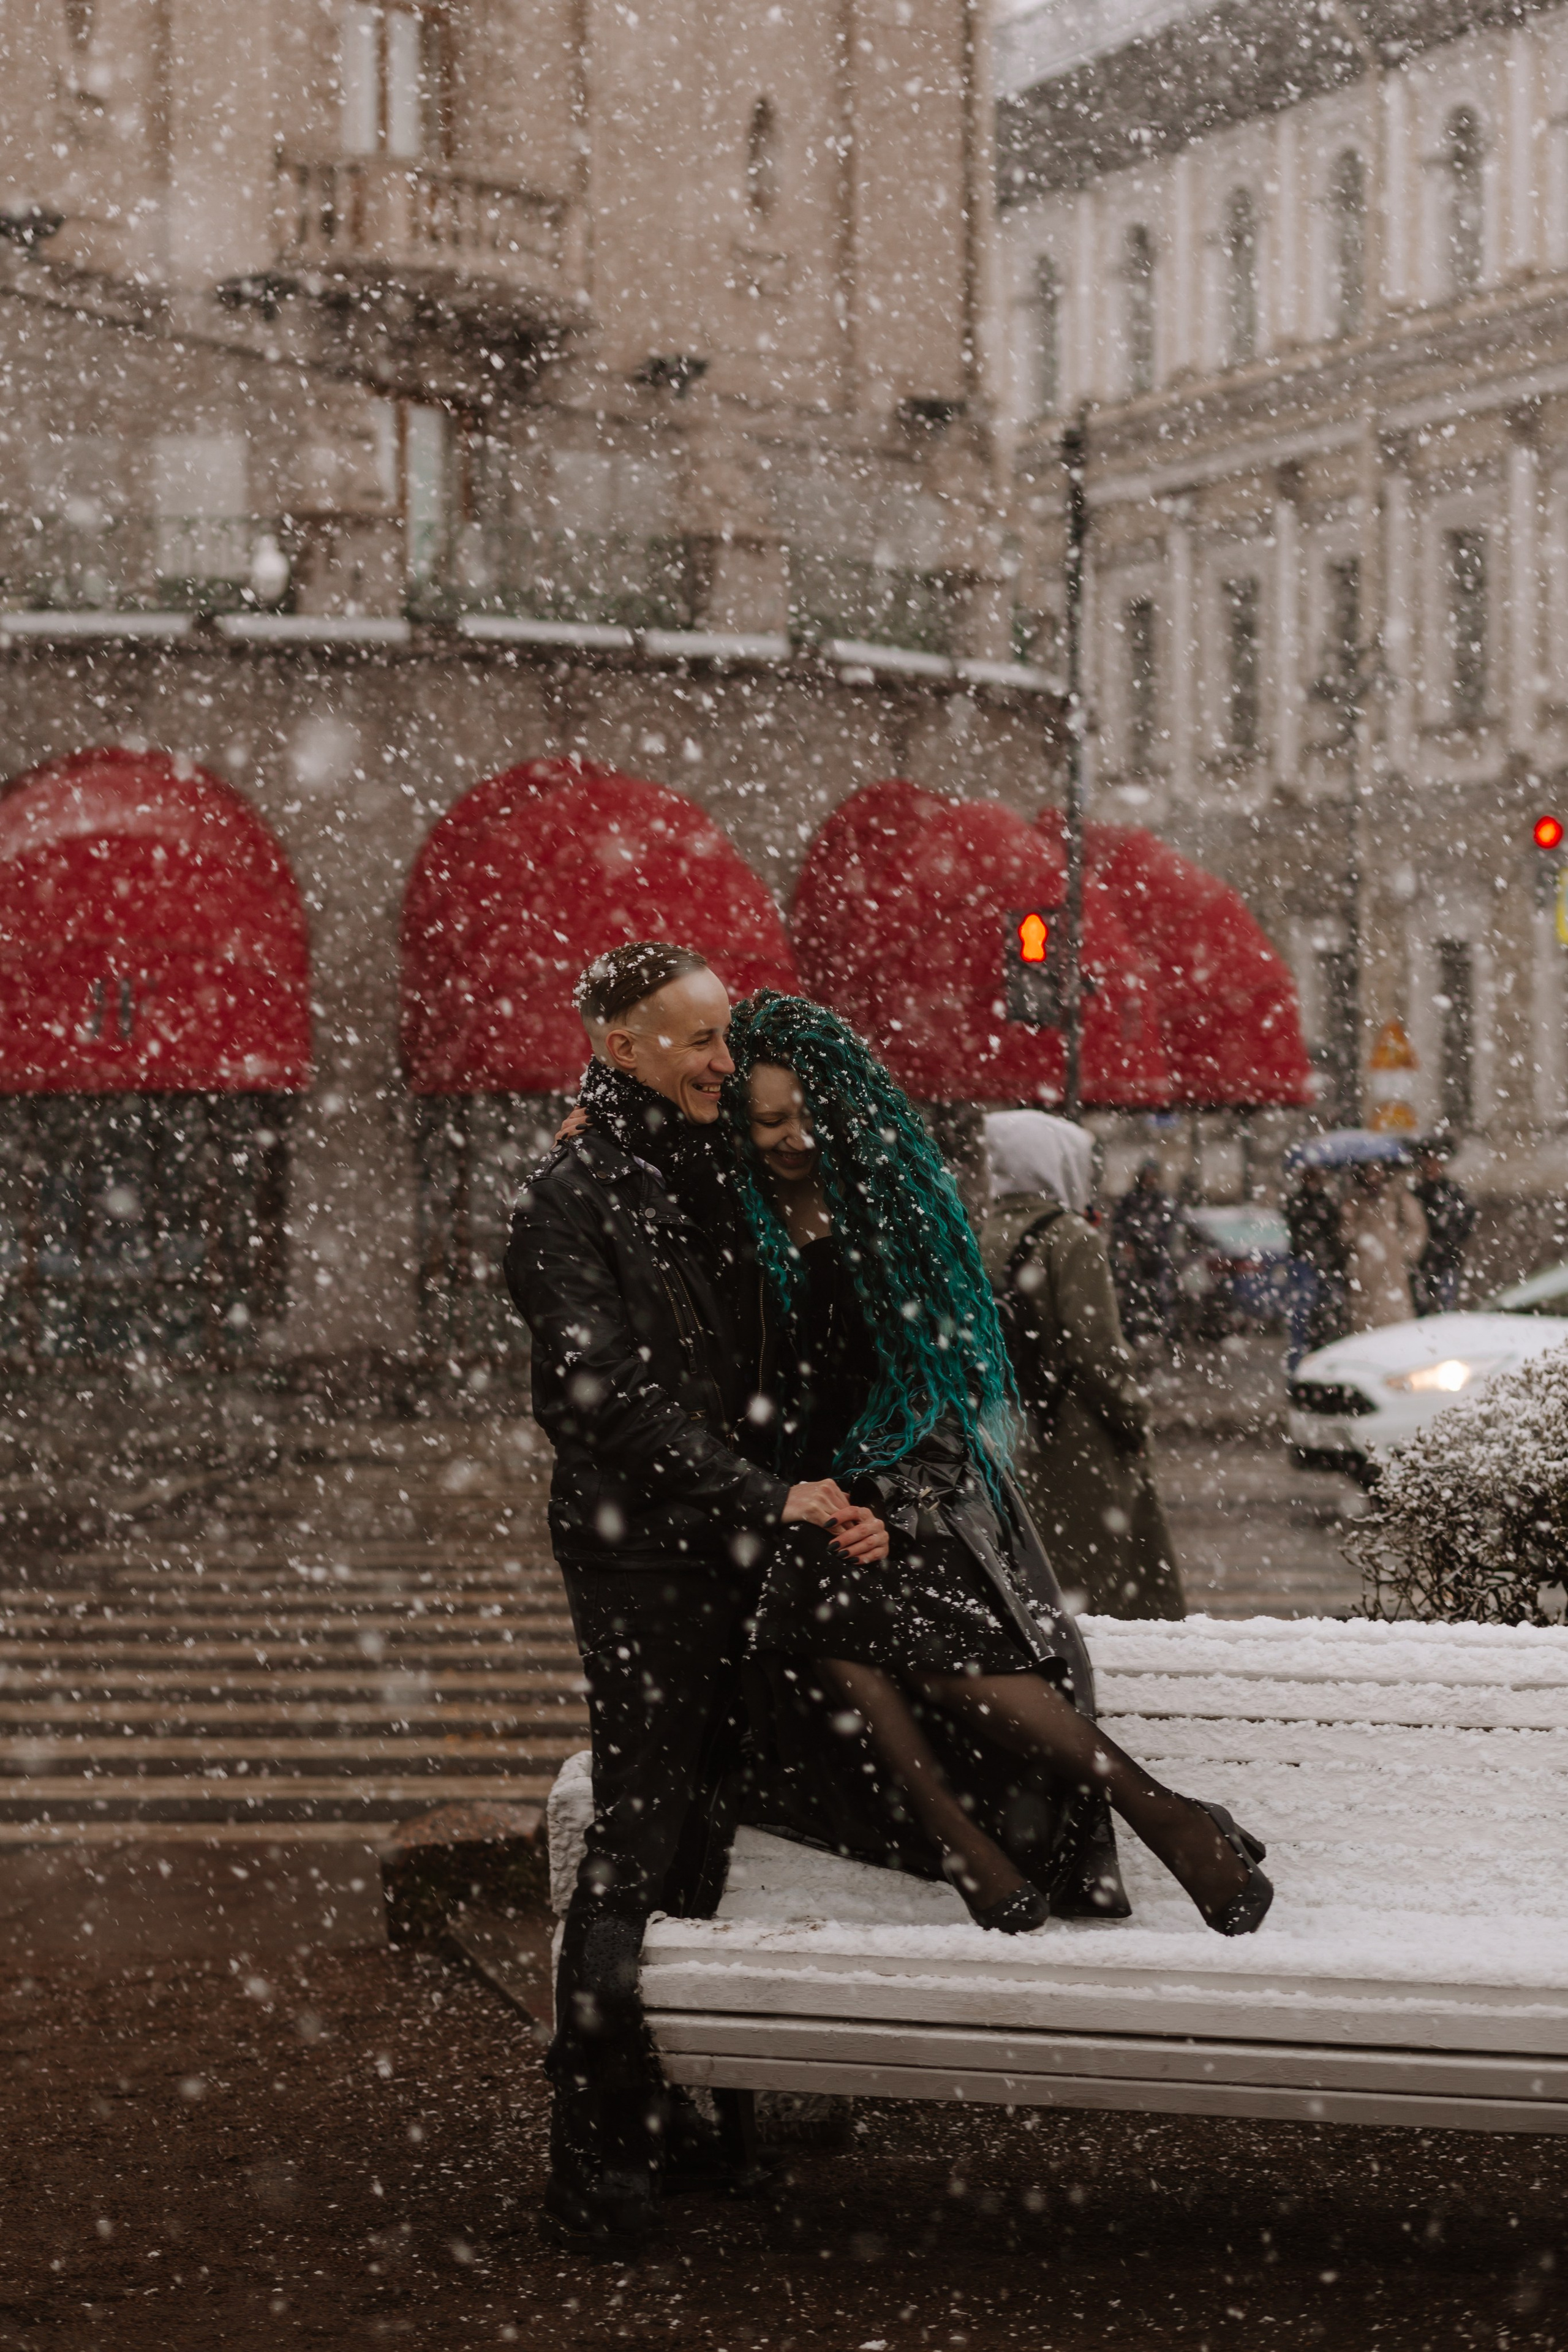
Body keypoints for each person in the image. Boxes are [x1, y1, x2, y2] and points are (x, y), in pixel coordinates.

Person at [725, 990, 1272, 1945]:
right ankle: (1077, 1821)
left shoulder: (897, 1214)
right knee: (819, 1582)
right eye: (767, 1119)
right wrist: (806, 1500)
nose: (792, 1138)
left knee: (899, 1624)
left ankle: (1112, 1819)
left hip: (923, 1496)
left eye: (809, 1115)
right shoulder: (730, 1220)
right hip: (791, 1504)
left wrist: (890, 1507)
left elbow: (947, 1395)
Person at [505, 943, 885, 2252]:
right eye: (698, 1042)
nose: (724, 1061)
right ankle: (597, 2151)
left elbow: (770, 1323)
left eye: (726, 1038)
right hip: (645, 1560)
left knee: (708, 1828)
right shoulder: (570, 1191)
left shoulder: (693, 1163)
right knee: (640, 1833)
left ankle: (679, 2121)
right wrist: (754, 1491)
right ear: (621, 1048)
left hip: (723, 1547)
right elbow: (595, 1399)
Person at [979, 1109, 1185, 1621]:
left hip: (1007, 1435)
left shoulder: (978, 1234)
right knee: (1111, 1600)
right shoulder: (1071, 1238)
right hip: (1077, 1444)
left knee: (1033, 1591)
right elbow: (1098, 1354)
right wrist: (1133, 1419)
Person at [1340, 1155, 1427, 1332]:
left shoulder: (1398, 1196)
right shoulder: (1355, 1200)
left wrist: (1405, 1252)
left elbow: (1418, 1226)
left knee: (1395, 1316)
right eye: (1370, 1171)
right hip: (1365, 1268)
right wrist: (1359, 1237)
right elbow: (1345, 1233)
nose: (1374, 1176)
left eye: (1378, 1171)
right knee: (1366, 1319)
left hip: (1392, 1266)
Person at [1283, 1160, 1348, 1368]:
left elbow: (1335, 1235)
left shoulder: (1328, 1203)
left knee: (1327, 1319)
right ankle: (1301, 1368)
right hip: (1306, 1265)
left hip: (1326, 1265)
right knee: (1303, 1317)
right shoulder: (1297, 1202)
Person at [1110, 1158, 1180, 1351]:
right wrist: (1127, 1244)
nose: (1150, 1180)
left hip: (1156, 1257)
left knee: (1161, 1297)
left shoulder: (1162, 1200)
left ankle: (1166, 1338)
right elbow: (1120, 1225)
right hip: (1137, 1257)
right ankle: (1131, 1337)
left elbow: (1168, 1227)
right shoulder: (1132, 1199)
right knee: (1131, 1298)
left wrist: (1157, 1244)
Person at [1409, 1133, 1476, 1316]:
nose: (1432, 1167)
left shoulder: (1453, 1192)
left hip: (1446, 1260)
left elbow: (1466, 1221)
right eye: (1428, 1162)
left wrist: (1449, 1241)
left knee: (1445, 1309)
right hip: (1421, 1262)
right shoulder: (1415, 1192)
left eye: (1435, 1162)